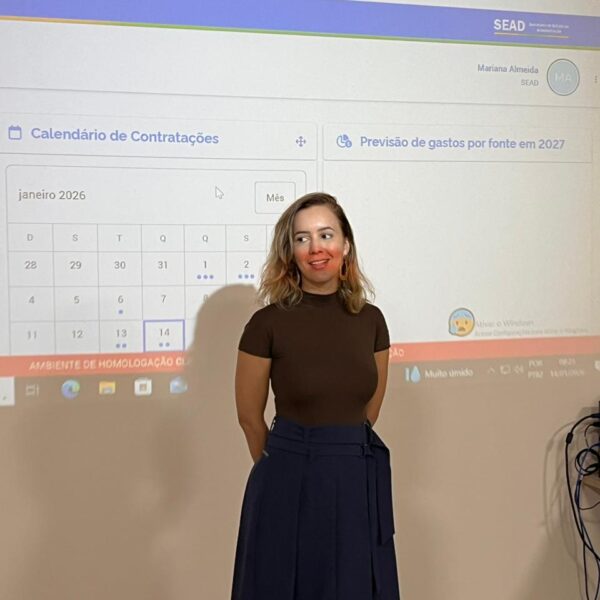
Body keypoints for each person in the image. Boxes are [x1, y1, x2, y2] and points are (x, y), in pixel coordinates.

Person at [231, 192, 400, 600]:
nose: (315, 248)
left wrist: (338, 455)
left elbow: (369, 410)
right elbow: (249, 418)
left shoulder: (372, 321)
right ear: (290, 252)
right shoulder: (266, 324)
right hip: (288, 479)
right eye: (302, 238)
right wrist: (286, 469)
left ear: (346, 245)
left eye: (326, 235)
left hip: (356, 478)